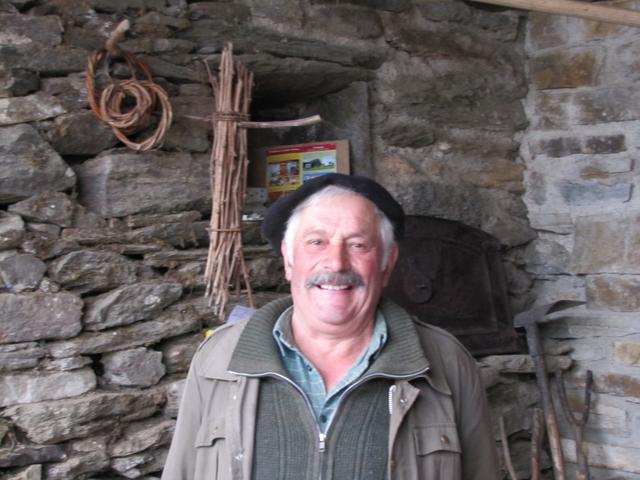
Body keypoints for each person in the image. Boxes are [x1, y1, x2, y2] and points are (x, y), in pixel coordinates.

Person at [162, 173, 500, 480]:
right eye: (316, 242)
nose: (336, 263)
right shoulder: (218, 359)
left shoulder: (447, 362)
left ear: (387, 264)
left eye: (358, 245)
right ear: (289, 259)